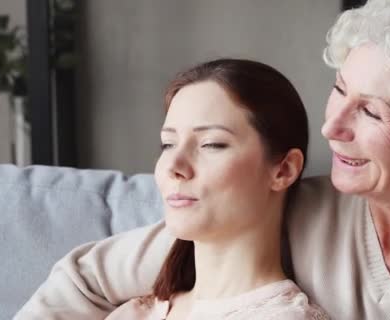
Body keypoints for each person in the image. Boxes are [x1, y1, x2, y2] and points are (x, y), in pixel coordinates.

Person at [16, 0, 390, 319]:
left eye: (370, 112)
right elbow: (86, 280)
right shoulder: (292, 204)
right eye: (338, 90)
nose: (331, 127)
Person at [101, 59, 327, 319]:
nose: (174, 166)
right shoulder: (135, 312)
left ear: (284, 170)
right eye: (168, 144)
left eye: (211, 144)